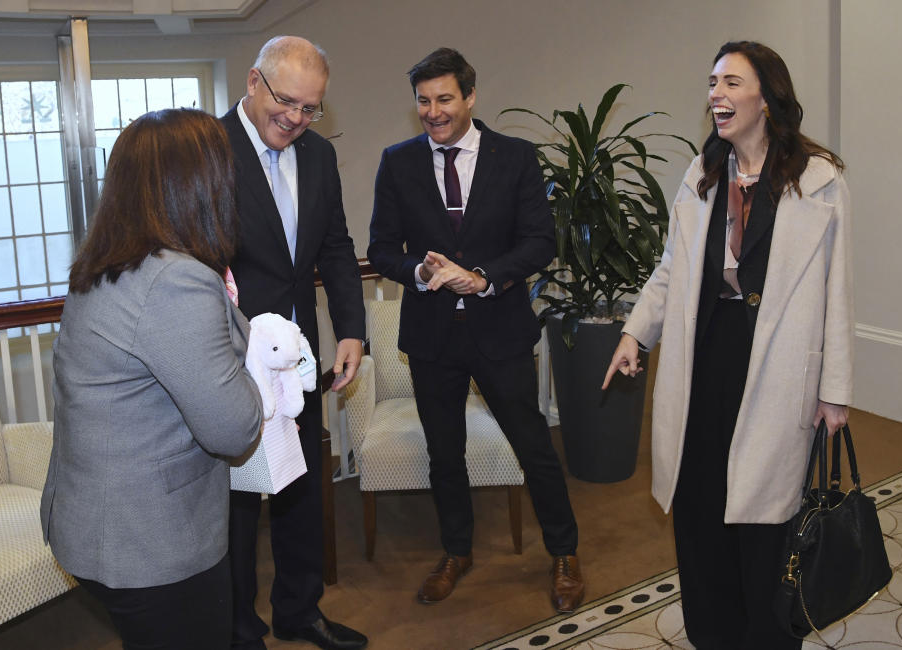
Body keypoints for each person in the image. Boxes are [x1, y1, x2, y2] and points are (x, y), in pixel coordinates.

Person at [603, 41, 853, 649]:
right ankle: (713, 634)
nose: (716, 94)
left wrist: (835, 393)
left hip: (778, 368)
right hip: (703, 363)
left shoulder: (819, 180)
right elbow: (668, 270)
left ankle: (765, 637)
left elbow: (836, 292)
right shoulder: (701, 174)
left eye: (731, 82)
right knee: (701, 507)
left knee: (766, 519)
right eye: (713, 82)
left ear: (766, 97)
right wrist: (636, 331)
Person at [367, 47, 585, 614]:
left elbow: (540, 242)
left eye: (444, 99)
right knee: (445, 453)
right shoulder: (397, 162)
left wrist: (484, 277)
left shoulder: (515, 158)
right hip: (431, 337)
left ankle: (564, 553)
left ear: (470, 97)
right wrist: (419, 271)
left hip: (501, 329)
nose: (433, 111)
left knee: (533, 446)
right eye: (423, 101)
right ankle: (456, 552)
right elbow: (381, 250)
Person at [40, 108, 264, 650]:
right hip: (151, 542)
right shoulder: (174, 280)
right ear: (199, 183)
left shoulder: (104, 264)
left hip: (96, 521)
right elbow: (233, 429)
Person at [221, 36, 367, 650]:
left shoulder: (317, 156)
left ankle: (299, 611)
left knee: (300, 484)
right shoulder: (208, 149)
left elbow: (334, 247)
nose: (297, 119)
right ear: (254, 83)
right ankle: (233, 628)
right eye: (287, 103)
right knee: (233, 507)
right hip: (227, 357)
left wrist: (353, 327)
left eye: (311, 109)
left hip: (298, 359)